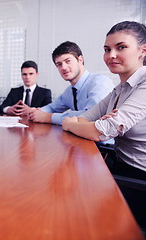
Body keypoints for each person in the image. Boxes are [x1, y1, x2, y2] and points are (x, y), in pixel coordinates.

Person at [62, 21, 146, 180]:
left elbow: (100, 131)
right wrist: (97, 125)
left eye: (121, 47)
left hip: (139, 177)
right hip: (121, 165)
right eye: (107, 50)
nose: (111, 55)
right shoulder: (119, 89)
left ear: (143, 51)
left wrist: (69, 124)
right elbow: (86, 118)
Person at [28, 41, 114, 125]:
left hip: (101, 138)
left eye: (68, 61)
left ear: (80, 59)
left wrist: (48, 117)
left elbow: (91, 116)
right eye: (59, 64)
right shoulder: (70, 91)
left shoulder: (100, 83)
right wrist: (36, 112)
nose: (64, 67)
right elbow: (52, 107)